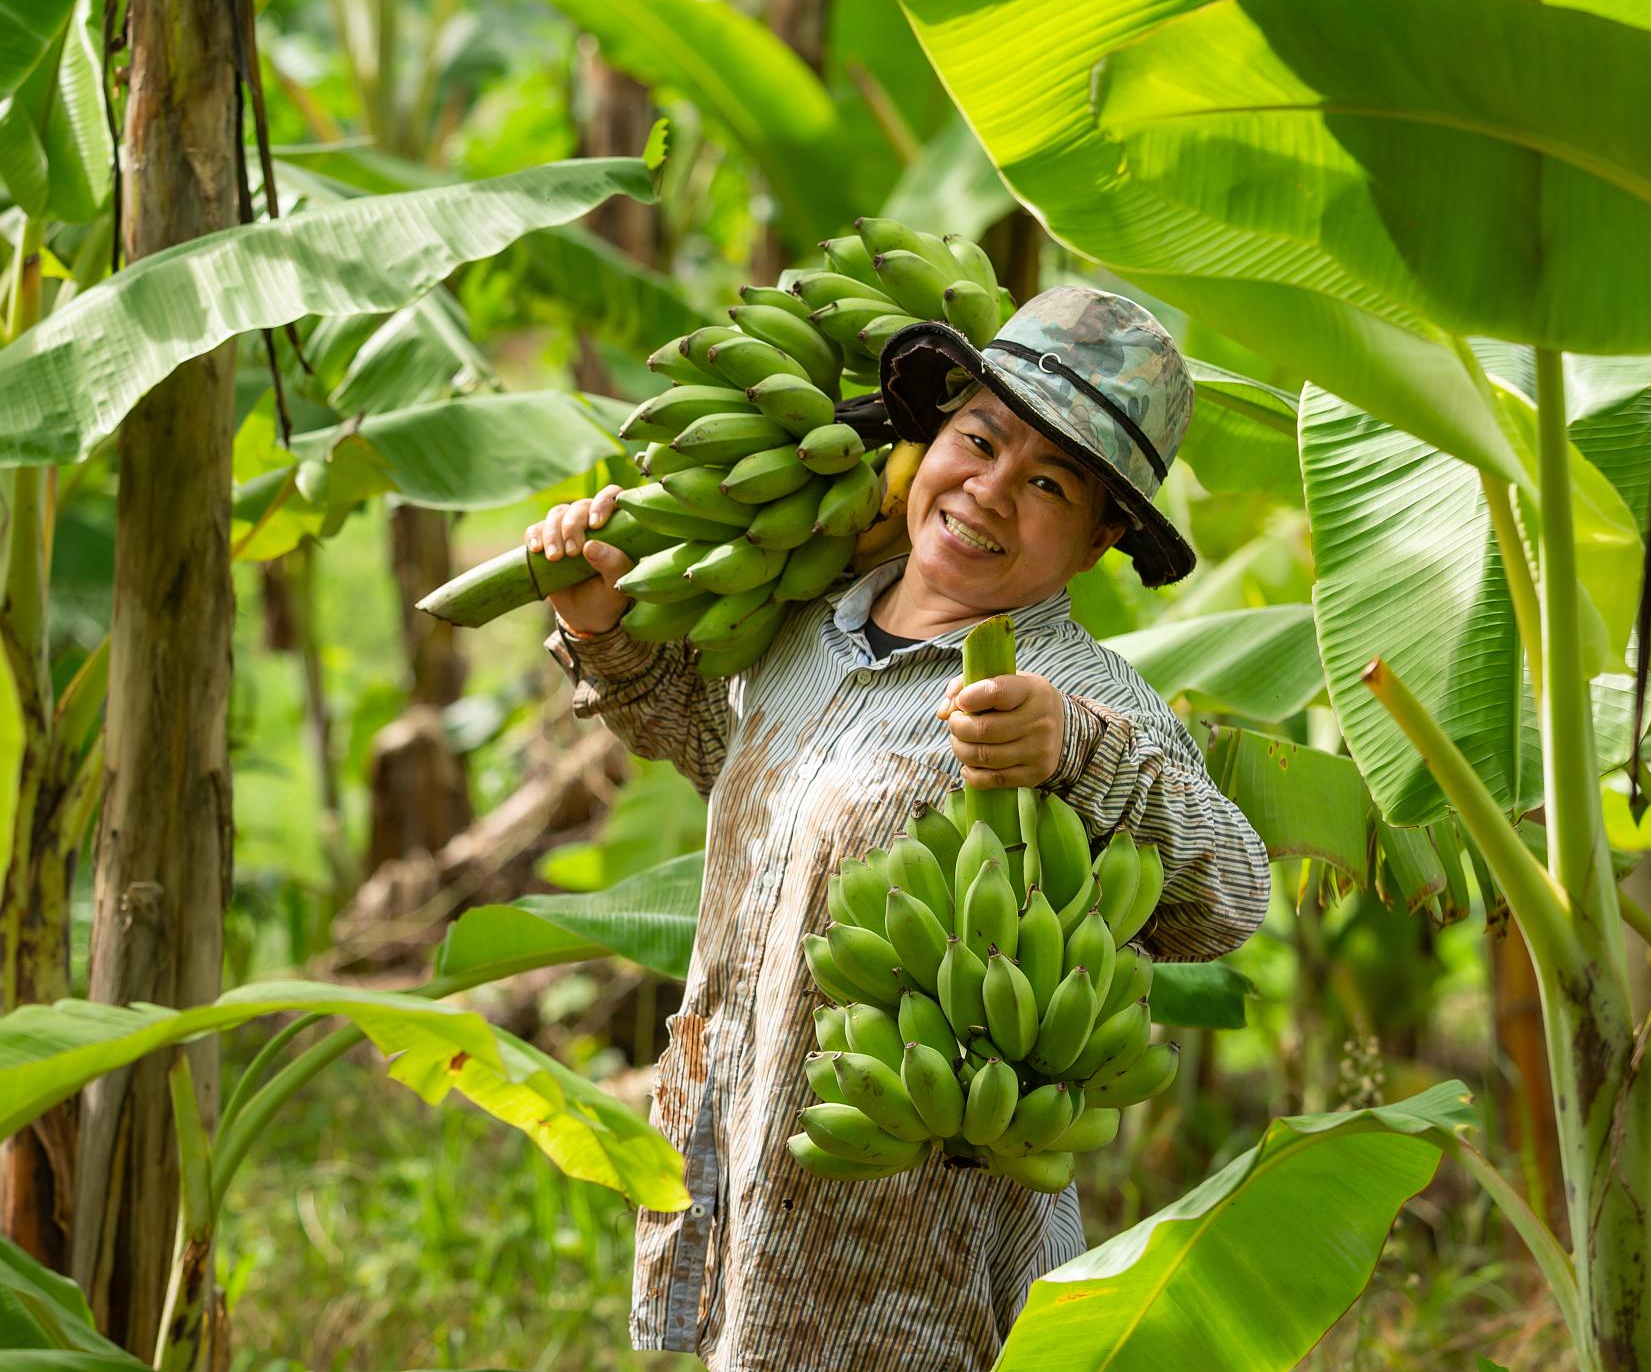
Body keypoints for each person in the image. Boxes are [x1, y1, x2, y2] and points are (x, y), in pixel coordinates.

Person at [525, 286, 1271, 1370]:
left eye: (1048, 482)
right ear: (933, 437)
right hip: (744, 1173)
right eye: (978, 439)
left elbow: (1230, 895)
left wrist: (1078, 749)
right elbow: (723, 757)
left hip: (914, 1252)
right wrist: (601, 631)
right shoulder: (806, 624)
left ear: (1103, 535)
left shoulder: (1067, 689)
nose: (988, 490)